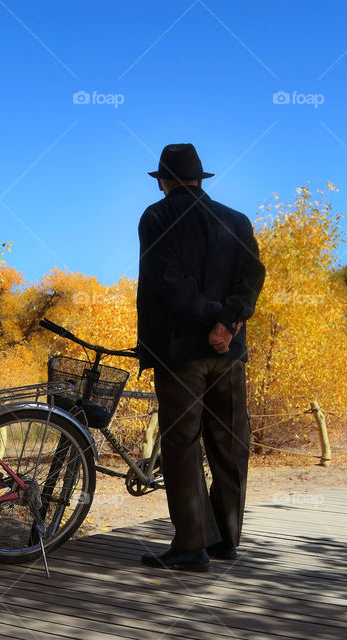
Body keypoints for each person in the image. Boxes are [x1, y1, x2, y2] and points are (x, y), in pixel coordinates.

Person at [136, 143, 266, 572]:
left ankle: (192, 545)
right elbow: (252, 277)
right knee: (231, 443)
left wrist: (213, 320)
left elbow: (169, 283)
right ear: (199, 178)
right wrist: (228, 323)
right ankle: (227, 540)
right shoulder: (237, 220)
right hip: (229, 353)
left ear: (163, 181)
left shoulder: (156, 218)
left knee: (182, 445)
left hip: (180, 353)